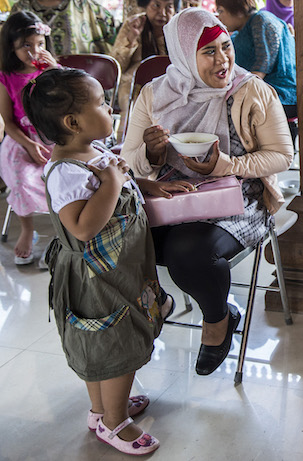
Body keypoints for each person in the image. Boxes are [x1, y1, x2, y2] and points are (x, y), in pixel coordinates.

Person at [23, 68, 192, 455]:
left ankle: (102, 410)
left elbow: (121, 178)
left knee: (108, 340)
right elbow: (83, 227)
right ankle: (115, 424)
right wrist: (113, 182)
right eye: (101, 103)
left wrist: (148, 186)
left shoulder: (93, 151)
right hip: (97, 278)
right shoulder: (66, 172)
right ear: (72, 122)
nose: (111, 109)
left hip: (120, 270)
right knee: (116, 344)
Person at [120, 8, 293, 376]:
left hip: (239, 198)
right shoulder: (155, 94)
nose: (223, 60)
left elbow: (281, 155)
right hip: (171, 195)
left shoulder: (251, 91)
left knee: (187, 251)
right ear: (183, 55)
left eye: (226, 47)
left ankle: (218, 320)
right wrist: (152, 153)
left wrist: (225, 165)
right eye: (209, 52)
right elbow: (128, 162)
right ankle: (159, 299)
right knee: (124, 236)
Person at [0, 11, 56, 266]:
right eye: (26, 45)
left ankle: (61, 234)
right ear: (11, 46)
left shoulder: (51, 72)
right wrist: (30, 144)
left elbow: (71, 102)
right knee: (20, 175)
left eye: (40, 44)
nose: (35, 52)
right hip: (22, 138)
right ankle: (27, 229)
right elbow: (9, 123)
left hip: (52, 134)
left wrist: (55, 71)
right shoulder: (6, 77)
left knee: (63, 175)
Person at [215, 0, 297, 142]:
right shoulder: (240, 33)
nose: (219, 17)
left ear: (237, 10)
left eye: (221, 11)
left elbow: (263, 64)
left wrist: (237, 93)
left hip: (280, 95)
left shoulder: (262, 20)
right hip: (262, 93)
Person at [111, 0, 180, 142]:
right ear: (145, 4)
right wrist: (131, 38)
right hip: (135, 83)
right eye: (156, 5)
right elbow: (117, 66)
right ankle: (128, 144)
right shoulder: (133, 25)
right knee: (134, 99)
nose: (162, 13)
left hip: (172, 80)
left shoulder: (179, 27)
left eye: (169, 7)